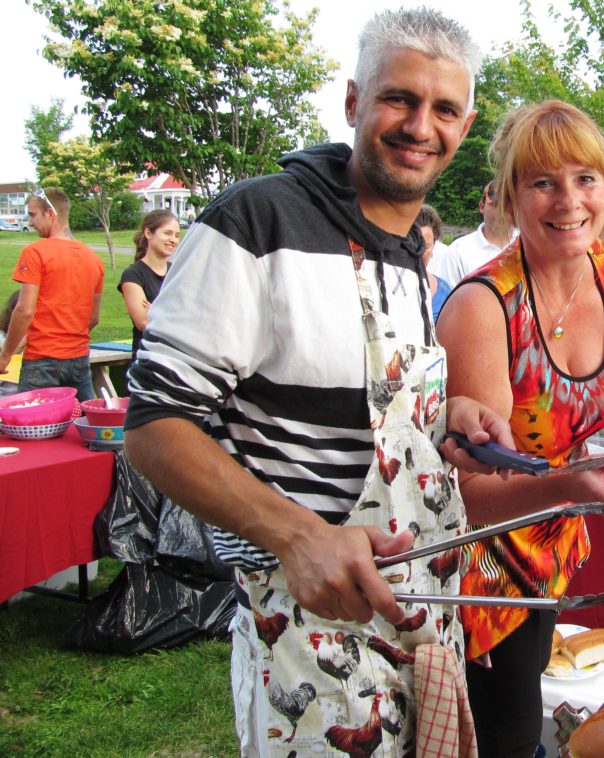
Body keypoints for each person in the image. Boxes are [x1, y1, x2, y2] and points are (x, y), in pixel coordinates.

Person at [123, 9, 516, 756]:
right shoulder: (255, 219)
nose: (419, 125)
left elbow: (363, 404)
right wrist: (297, 536)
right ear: (352, 103)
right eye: (399, 98)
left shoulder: (407, 253)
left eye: (444, 109)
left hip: (417, 612)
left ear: (465, 128)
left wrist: (444, 412)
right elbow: (153, 425)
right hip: (309, 632)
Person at [437, 100, 604, 758]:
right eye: (543, 181)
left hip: (553, 537)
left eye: (586, 178)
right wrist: (577, 487)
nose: (568, 200)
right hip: (483, 562)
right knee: (510, 733)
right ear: (511, 199)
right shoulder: (483, 308)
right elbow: (471, 492)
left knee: (531, 699)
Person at [0, 187, 104, 401]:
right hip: (79, 361)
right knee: (84, 425)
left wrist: (5, 355)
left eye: (32, 214)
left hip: (41, 362)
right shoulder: (93, 258)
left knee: (31, 427)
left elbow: (24, 310)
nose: (29, 223)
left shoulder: (35, 252)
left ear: (50, 213)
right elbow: (93, 318)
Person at [118, 210, 180, 362]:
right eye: (167, 233)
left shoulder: (178, 272)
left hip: (177, 359)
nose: (173, 240)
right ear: (148, 233)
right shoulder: (133, 275)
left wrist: (156, 310)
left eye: (177, 235)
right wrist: (176, 312)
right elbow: (144, 322)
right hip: (148, 360)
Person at [431, 181, 511, 284]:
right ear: (482, 207)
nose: (502, 211)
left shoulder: (527, 245)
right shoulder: (457, 252)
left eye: (508, 205)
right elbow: (446, 295)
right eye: (496, 205)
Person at [415, 204, 453, 321]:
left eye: (425, 246)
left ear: (434, 246)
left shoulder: (444, 291)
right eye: (412, 244)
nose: (418, 252)